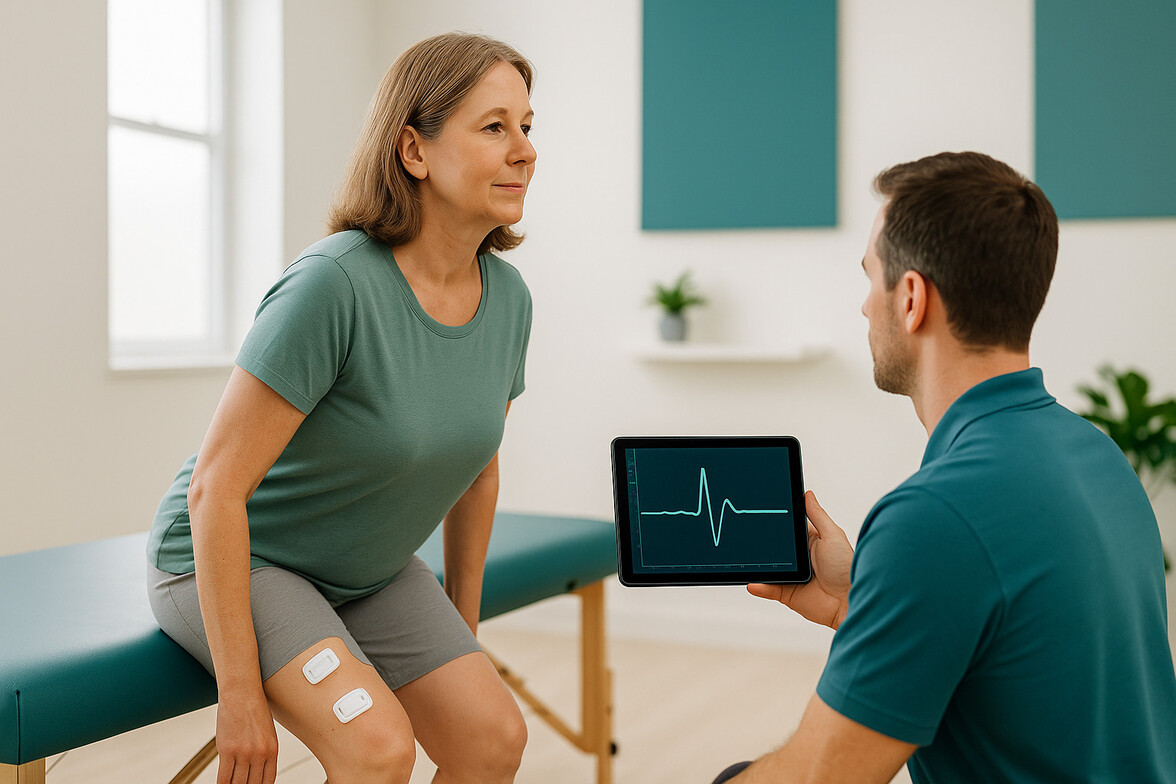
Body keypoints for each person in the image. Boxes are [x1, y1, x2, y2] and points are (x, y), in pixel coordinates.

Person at [146, 32, 537, 784]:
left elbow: (477, 474)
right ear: (413, 151)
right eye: (494, 126)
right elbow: (215, 488)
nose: (523, 149)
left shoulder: (509, 301)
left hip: (370, 570)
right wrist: (239, 697)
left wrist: (463, 636)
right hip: (247, 559)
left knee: (492, 737)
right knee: (376, 745)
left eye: (527, 125)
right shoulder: (333, 286)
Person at [713, 152, 1176, 783]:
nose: (862, 307)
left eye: (869, 277)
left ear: (910, 298)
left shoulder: (936, 516)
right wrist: (859, 602)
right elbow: (1014, 663)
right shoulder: (1095, 455)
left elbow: (822, 778)